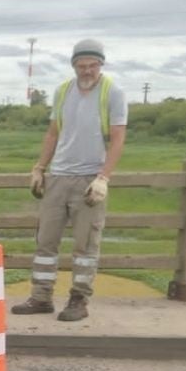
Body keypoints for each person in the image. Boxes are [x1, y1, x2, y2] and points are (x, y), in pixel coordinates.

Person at [14, 38, 127, 322]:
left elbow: (117, 138)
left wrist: (104, 177)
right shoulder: (63, 91)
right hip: (59, 177)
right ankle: (41, 297)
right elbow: (53, 133)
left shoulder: (112, 92)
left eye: (92, 65)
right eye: (81, 66)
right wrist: (40, 167)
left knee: (85, 246)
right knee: (45, 241)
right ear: (74, 66)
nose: (86, 71)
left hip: (90, 178)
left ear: (101, 64)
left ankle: (79, 300)